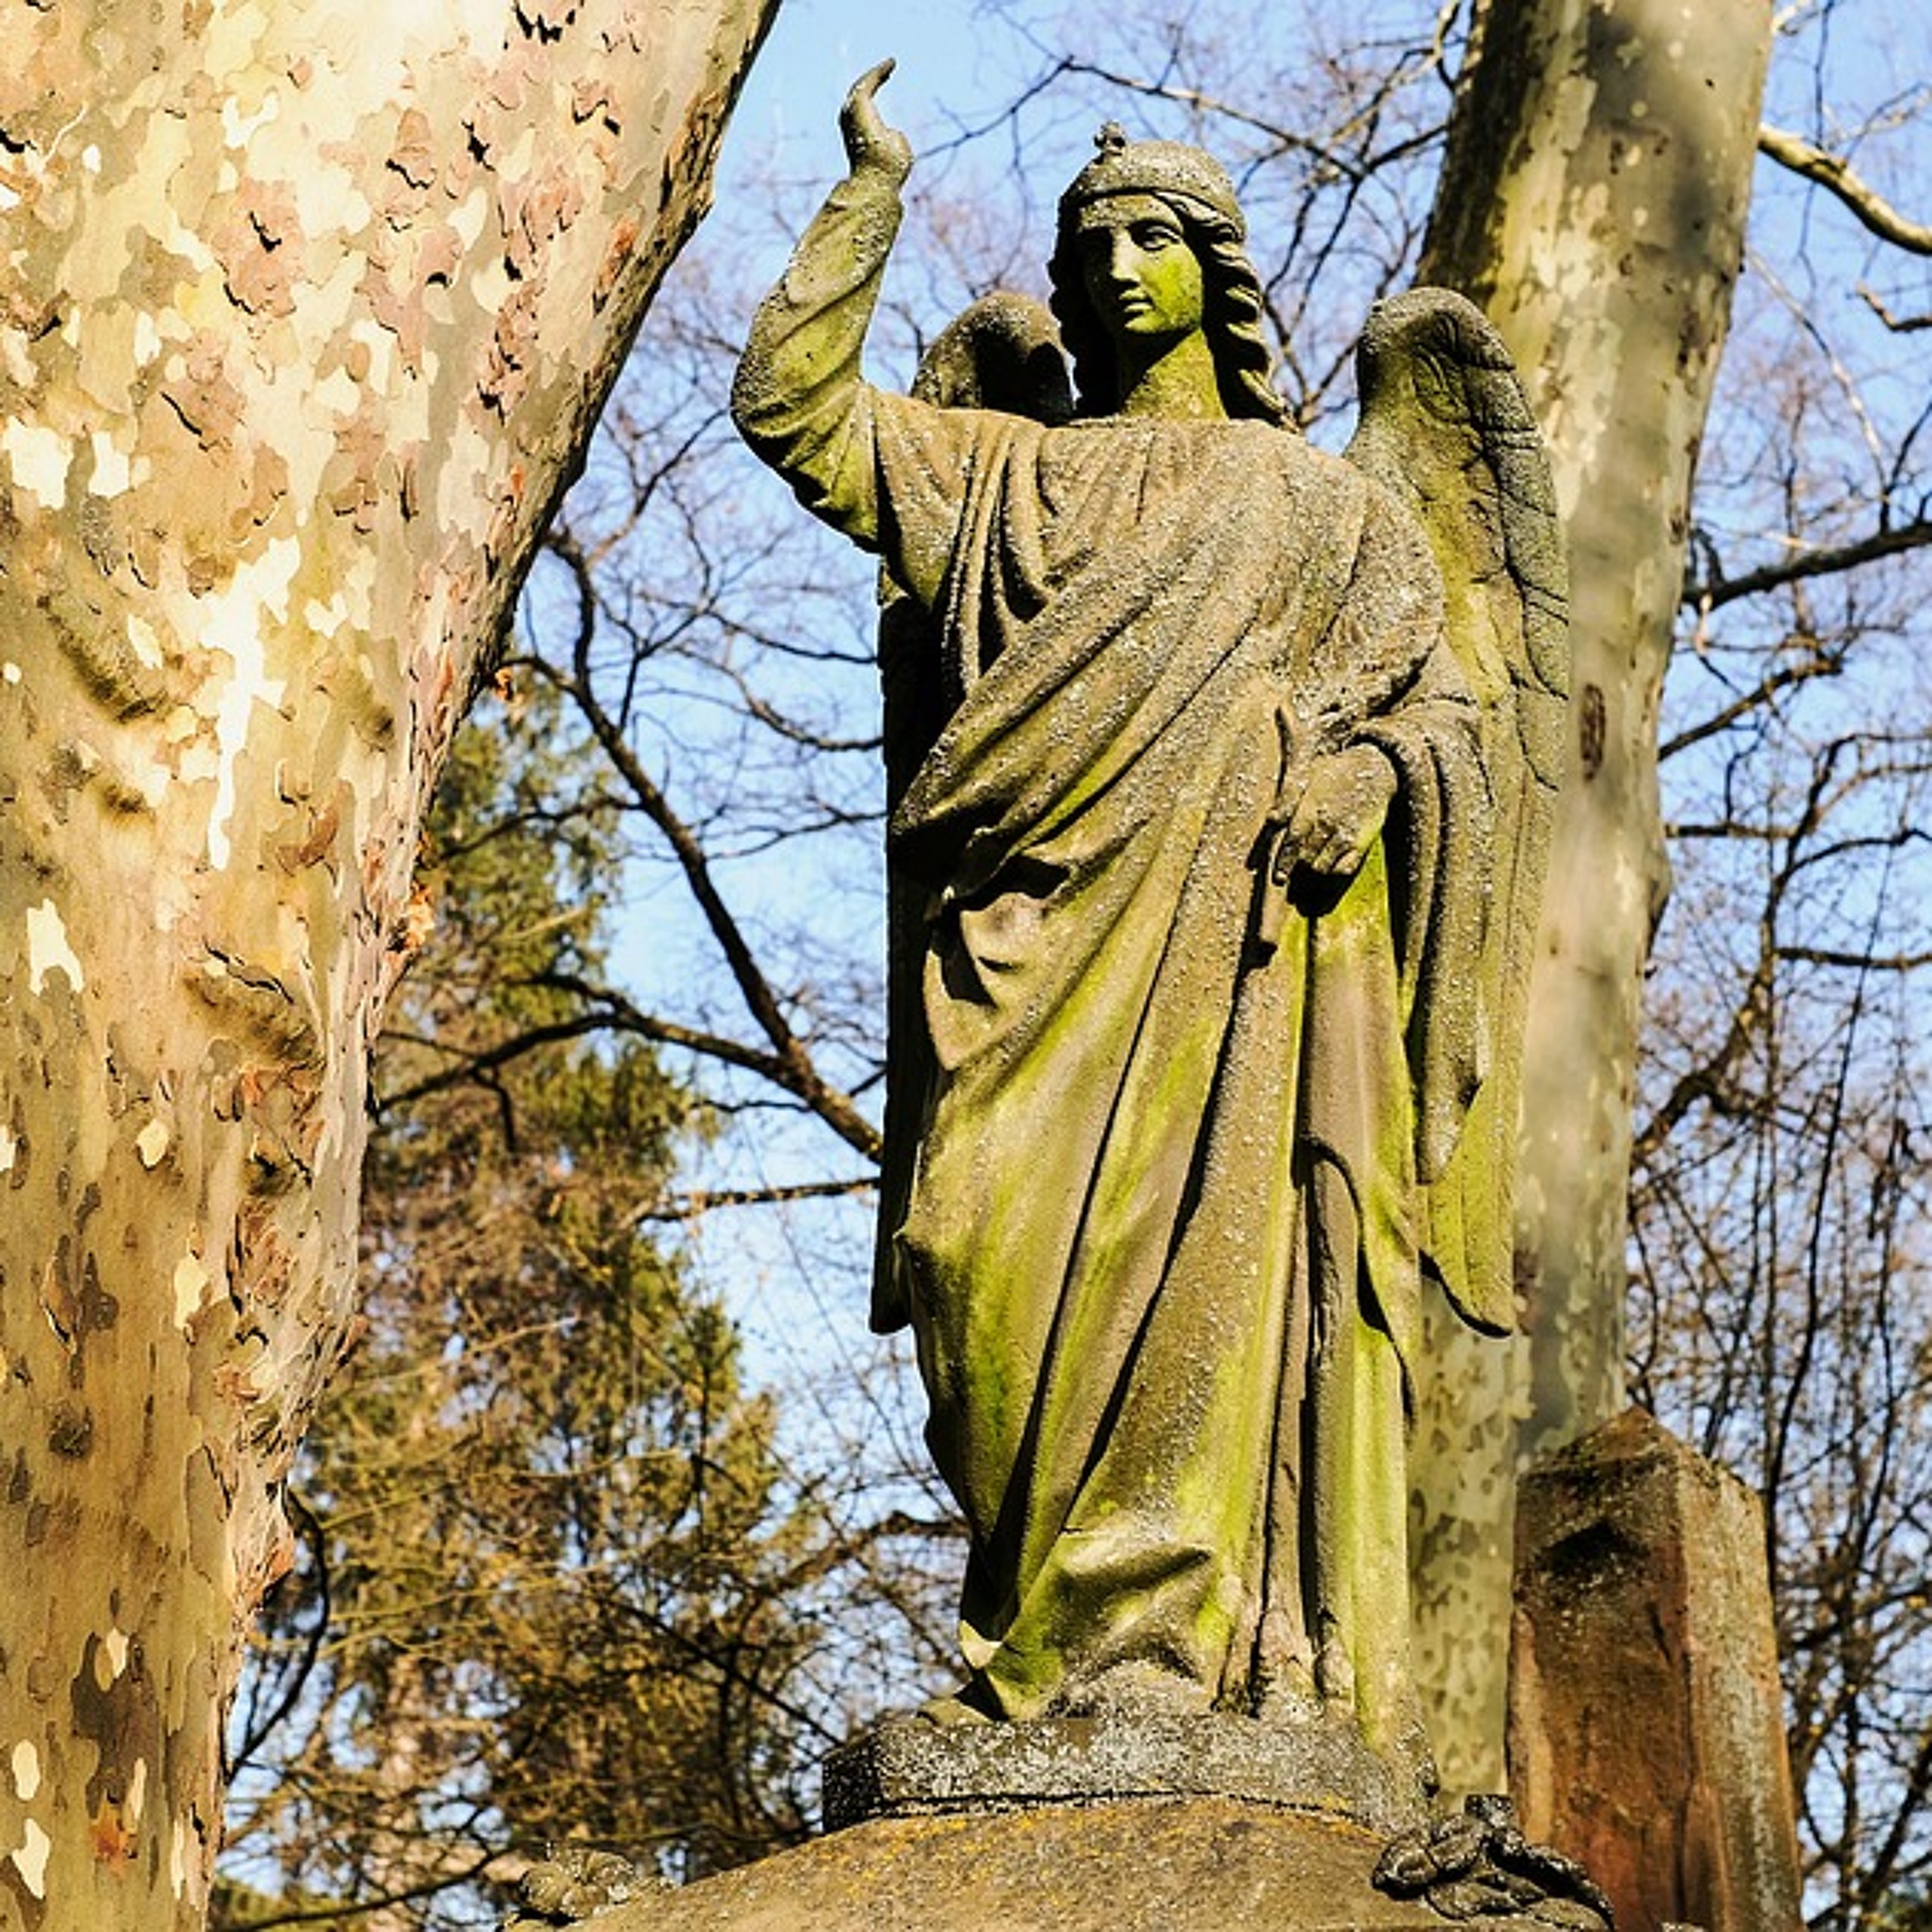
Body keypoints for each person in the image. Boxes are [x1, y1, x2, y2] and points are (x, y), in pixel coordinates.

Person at [732, 64, 1495, 1790]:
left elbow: (1439, 713)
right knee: (967, 1246)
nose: (1116, 269)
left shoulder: (1328, 510)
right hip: (1016, 958)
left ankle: (1157, 1653)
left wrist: (1367, 773)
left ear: (1218, 273)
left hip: (1226, 964)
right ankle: (1034, 1646)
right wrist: (871, 194)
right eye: (1090, 247)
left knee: (1198, 1282)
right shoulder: (1000, 475)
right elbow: (787, 408)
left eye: (1153, 238)